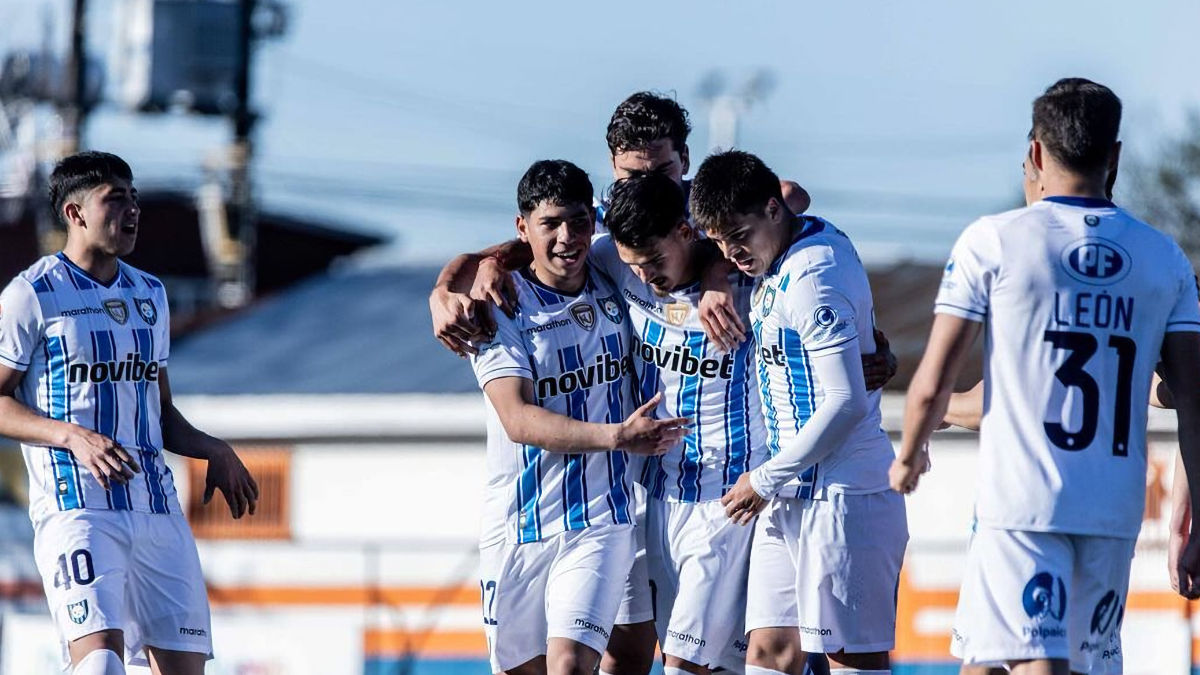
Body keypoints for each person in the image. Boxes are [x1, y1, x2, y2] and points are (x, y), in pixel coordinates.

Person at [892, 78, 1200, 675]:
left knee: (1036, 663)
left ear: (1035, 154)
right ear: (1114, 156)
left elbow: (932, 379)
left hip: (1025, 503)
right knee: (1011, 661)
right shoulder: (1165, 257)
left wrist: (906, 456)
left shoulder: (996, 240)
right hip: (1113, 502)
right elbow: (1194, 393)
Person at [0, 152, 259, 675]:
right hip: (79, 511)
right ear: (75, 213)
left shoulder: (150, 294)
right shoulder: (31, 295)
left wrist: (212, 447)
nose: (132, 210)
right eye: (115, 199)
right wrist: (73, 437)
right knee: (100, 667)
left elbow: (159, 412)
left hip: (158, 510)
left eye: (134, 198)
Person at [449, 159, 688, 675]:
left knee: (572, 665)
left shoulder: (611, 275)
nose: (567, 237)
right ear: (522, 229)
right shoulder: (499, 305)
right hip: (519, 525)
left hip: (601, 520)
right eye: (550, 224)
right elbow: (518, 419)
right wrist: (618, 436)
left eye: (578, 221)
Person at [690, 150, 908, 675]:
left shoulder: (814, 274)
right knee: (770, 651)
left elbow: (845, 401)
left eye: (738, 235)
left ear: (771, 209)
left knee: (851, 658)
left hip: (841, 497)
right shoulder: (786, 245)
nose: (731, 253)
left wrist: (763, 480)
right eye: (719, 241)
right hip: (790, 493)